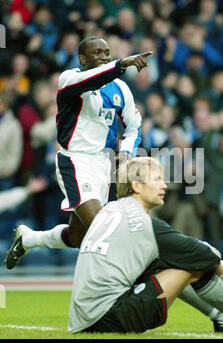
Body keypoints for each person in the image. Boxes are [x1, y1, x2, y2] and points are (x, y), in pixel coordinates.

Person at [67, 157, 223, 334]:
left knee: (168, 262)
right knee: (192, 263)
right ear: (136, 185)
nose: (164, 185)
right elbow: (203, 254)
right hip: (110, 316)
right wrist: (220, 264)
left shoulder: (109, 210)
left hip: (82, 318)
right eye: (156, 179)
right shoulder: (144, 223)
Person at [5, 36, 151, 269]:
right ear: (82, 58)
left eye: (107, 52)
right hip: (75, 160)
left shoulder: (121, 88)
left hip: (103, 165)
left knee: (77, 238)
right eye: (98, 52)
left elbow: (134, 127)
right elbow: (91, 81)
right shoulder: (68, 79)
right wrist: (120, 65)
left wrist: (126, 152)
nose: (105, 56)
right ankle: (123, 286)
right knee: (101, 229)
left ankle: (29, 239)